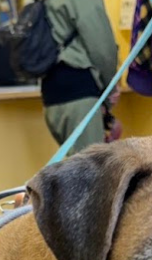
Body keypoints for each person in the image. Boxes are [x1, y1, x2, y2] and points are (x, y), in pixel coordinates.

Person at [42, 0, 119, 155]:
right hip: (80, 90)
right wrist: (111, 86)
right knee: (92, 174)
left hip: (51, 94)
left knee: (74, 169)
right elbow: (102, 49)